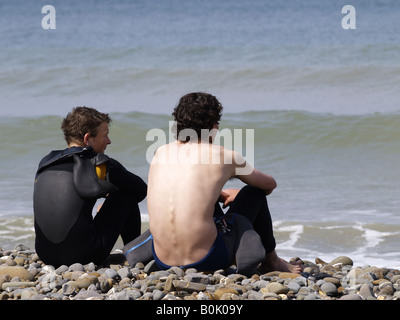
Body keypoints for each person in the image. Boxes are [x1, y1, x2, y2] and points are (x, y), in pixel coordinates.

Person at [138, 92, 302, 275]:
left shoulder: (160, 152)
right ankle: (272, 261)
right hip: (208, 259)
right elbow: (269, 184)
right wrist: (237, 194)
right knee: (252, 193)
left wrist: (217, 193)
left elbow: (184, 191)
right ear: (213, 126)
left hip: (163, 260)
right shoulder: (223, 155)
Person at [33, 106, 147, 267]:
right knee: (126, 195)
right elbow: (140, 191)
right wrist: (110, 190)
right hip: (84, 256)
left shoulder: (46, 162)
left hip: (46, 254)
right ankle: (137, 255)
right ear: (88, 139)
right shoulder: (99, 164)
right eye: (105, 136)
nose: (109, 141)